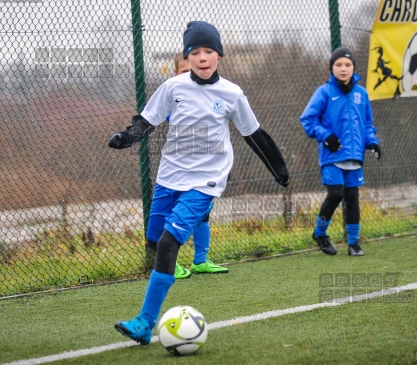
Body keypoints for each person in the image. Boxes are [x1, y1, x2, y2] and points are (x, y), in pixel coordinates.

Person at [108, 20, 289, 344]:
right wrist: (126, 137)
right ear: (187, 57)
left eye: (209, 51)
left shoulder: (232, 94)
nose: (202, 57)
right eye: (195, 52)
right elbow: (146, 120)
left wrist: (278, 167)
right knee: (154, 243)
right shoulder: (174, 87)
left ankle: (144, 322)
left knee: (167, 244)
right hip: (169, 177)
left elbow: (254, 134)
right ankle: (163, 286)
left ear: (219, 55)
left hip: (205, 182)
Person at [299, 47, 381, 257]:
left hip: (354, 157)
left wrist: (372, 141)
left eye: (347, 65)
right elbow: (308, 119)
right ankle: (320, 233)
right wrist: (325, 136)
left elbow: (368, 124)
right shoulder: (324, 92)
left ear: (353, 68)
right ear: (331, 68)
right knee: (336, 194)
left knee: (352, 197)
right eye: (338, 65)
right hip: (332, 157)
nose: (343, 69)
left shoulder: (361, 94)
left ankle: (353, 243)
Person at [170, 52, 228, 279]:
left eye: (190, 71)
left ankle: (200, 261)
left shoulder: (215, 94)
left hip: (207, 166)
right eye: (183, 71)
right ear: (176, 74)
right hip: (180, 167)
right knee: (180, 214)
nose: (188, 75)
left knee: (204, 214)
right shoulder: (173, 95)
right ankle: (169, 262)